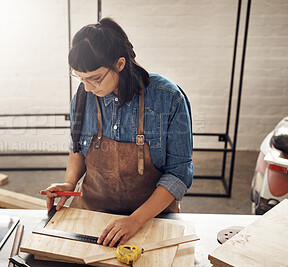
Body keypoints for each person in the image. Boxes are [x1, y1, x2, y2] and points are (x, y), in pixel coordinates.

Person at [44, 17, 193, 248]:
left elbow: (179, 173)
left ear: (120, 64)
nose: (87, 87)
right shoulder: (83, 97)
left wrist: (135, 220)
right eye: (80, 78)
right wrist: (69, 183)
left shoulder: (168, 98)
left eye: (94, 78)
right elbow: (77, 150)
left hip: (152, 220)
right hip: (94, 217)